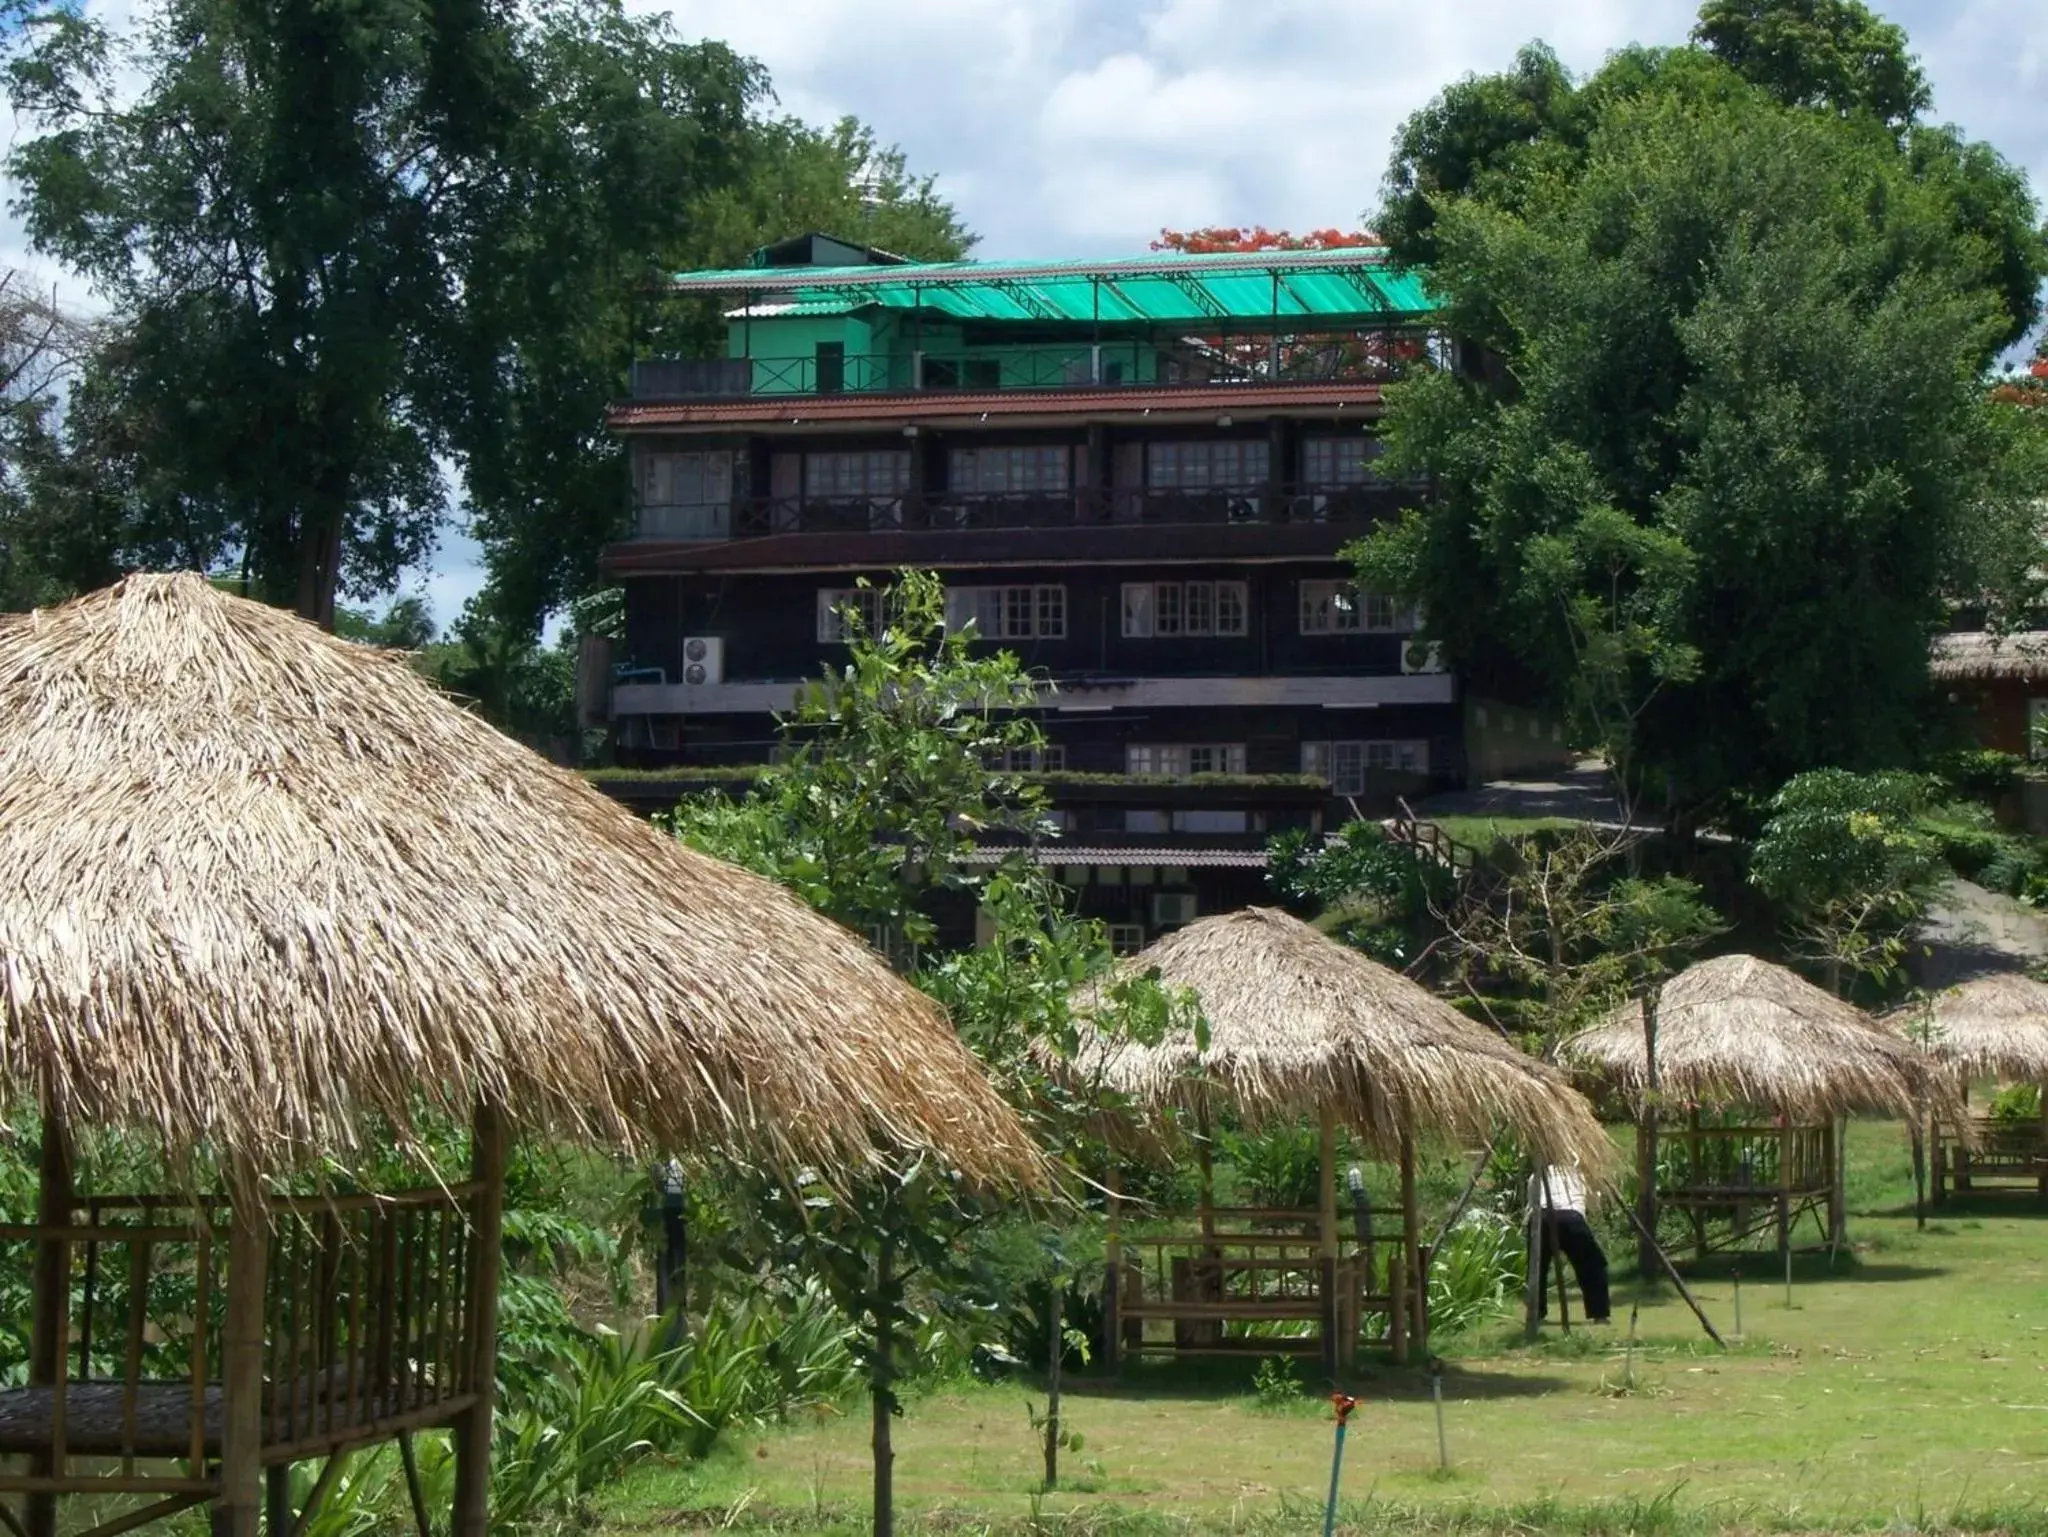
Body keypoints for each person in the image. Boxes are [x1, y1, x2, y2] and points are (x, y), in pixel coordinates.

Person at [1528, 1162, 1611, 1323]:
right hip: (1571, 1218)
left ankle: (1536, 1312)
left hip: (1541, 1218)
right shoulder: (1579, 1175)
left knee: (1537, 1268)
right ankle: (1599, 1313)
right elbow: (1594, 1205)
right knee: (1593, 1265)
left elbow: (1531, 1204)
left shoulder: (1536, 1175)